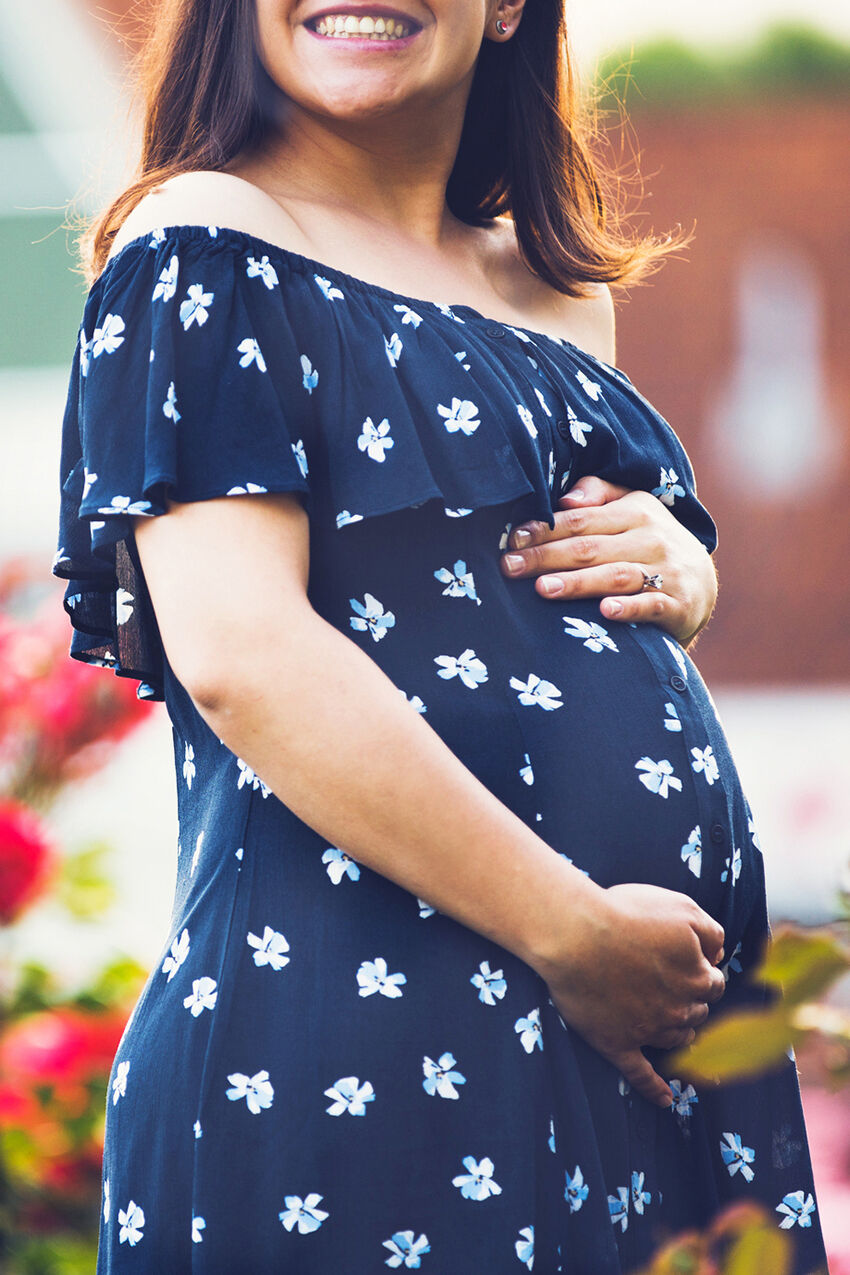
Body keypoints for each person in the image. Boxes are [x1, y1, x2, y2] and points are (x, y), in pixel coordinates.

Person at [51, 1, 827, 1271]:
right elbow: (243, 653)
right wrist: (569, 931)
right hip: (367, 1042)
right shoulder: (207, 239)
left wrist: (685, 570)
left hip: (644, 1051)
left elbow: (550, 606)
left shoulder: (558, 297)